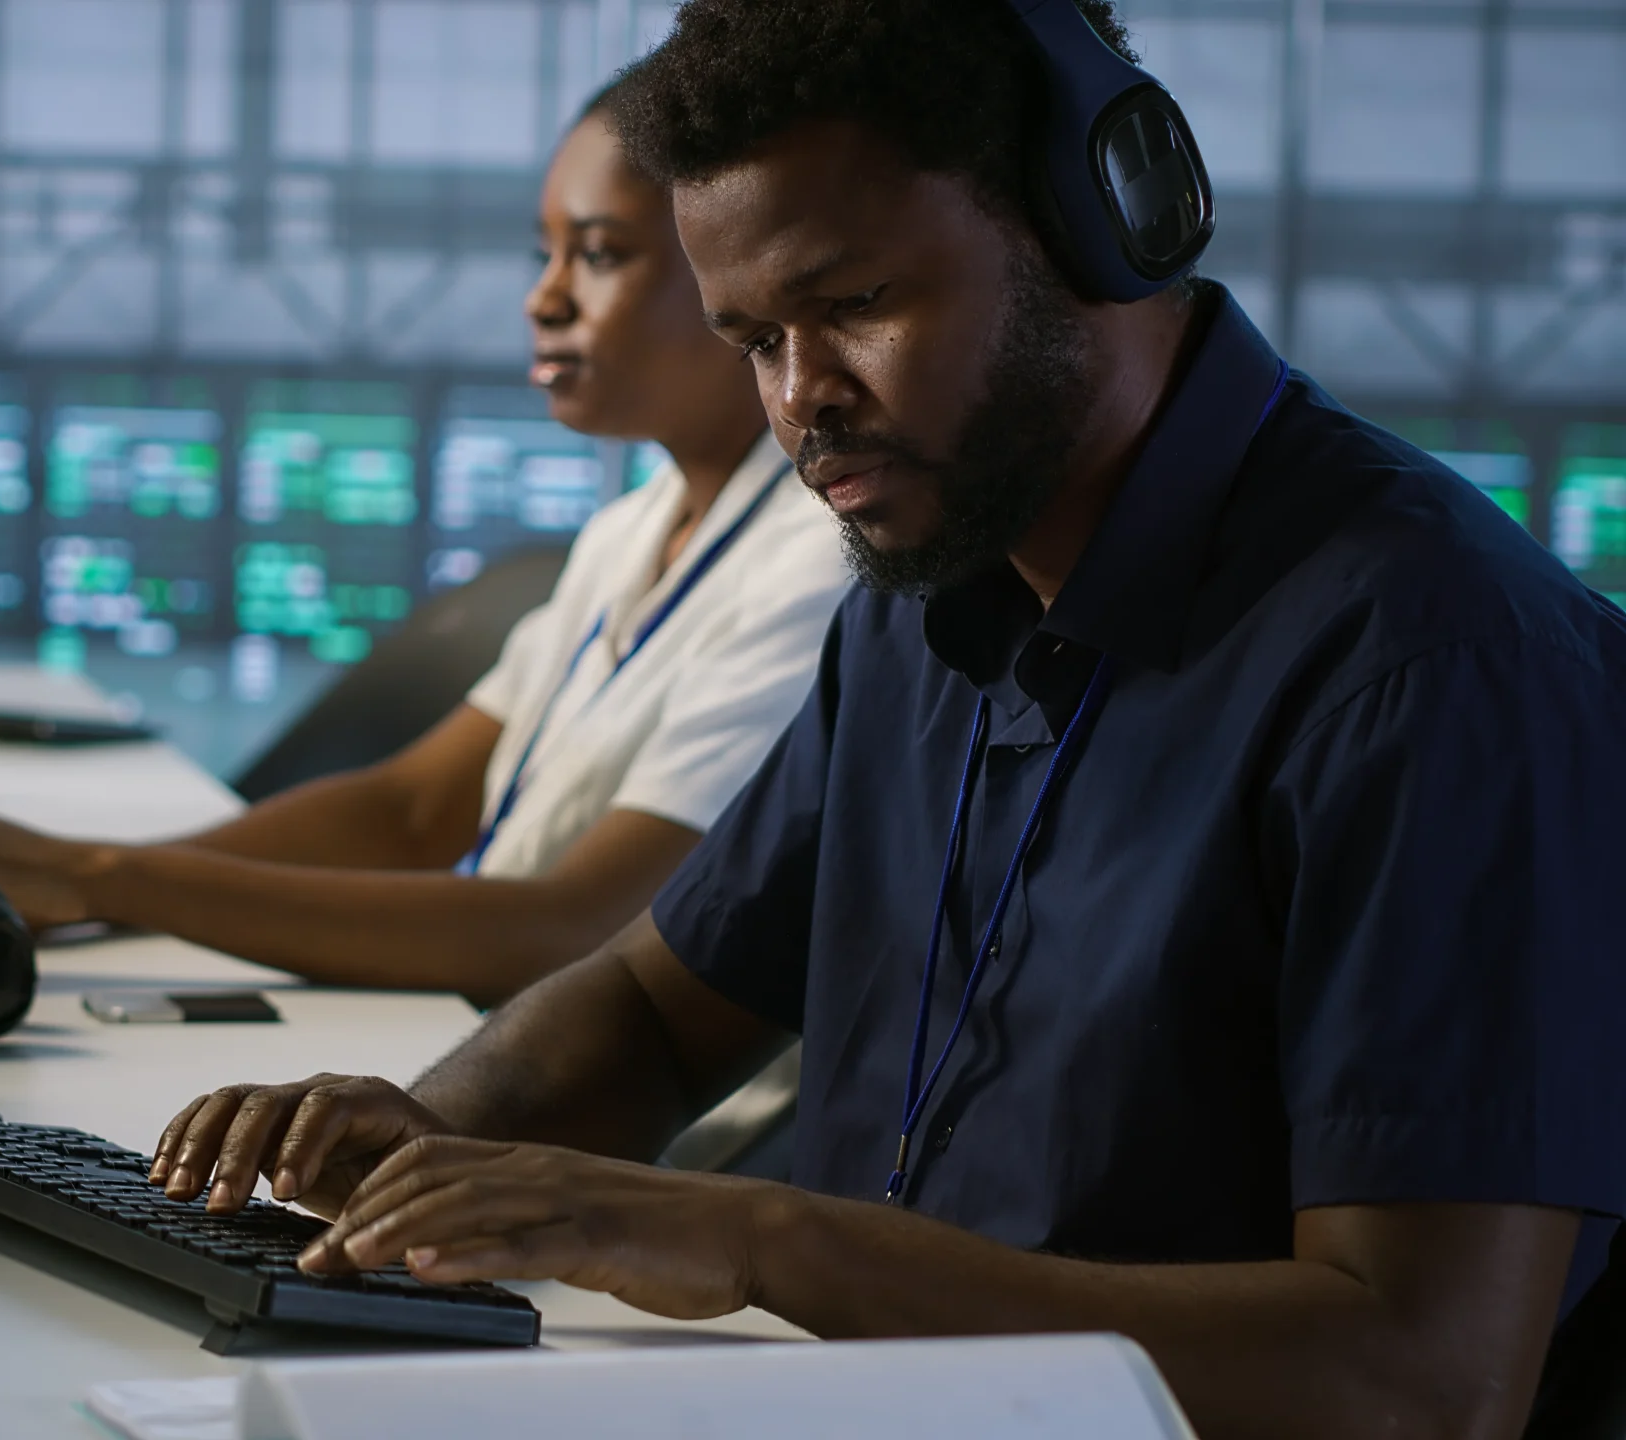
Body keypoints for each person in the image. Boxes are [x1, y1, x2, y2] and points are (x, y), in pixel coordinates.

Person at [143, 4, 1626, 1437]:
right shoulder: (924, 599)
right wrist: (424, 1144)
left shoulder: (1436, 666)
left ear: (1101, 220)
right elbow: (660, 1010)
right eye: (753, 339)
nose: (802, 402)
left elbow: (1419, 1385)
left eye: (855, 305)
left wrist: (769, 1243)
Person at [0, 95, 852, 1006]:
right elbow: (408, 812)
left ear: (730, 271)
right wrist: (71, 882)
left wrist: (97, 877)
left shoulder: (817, 569)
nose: (544, 299)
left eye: (598, 253)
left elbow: (570, 931)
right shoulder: (632, 532)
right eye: (542, 255)